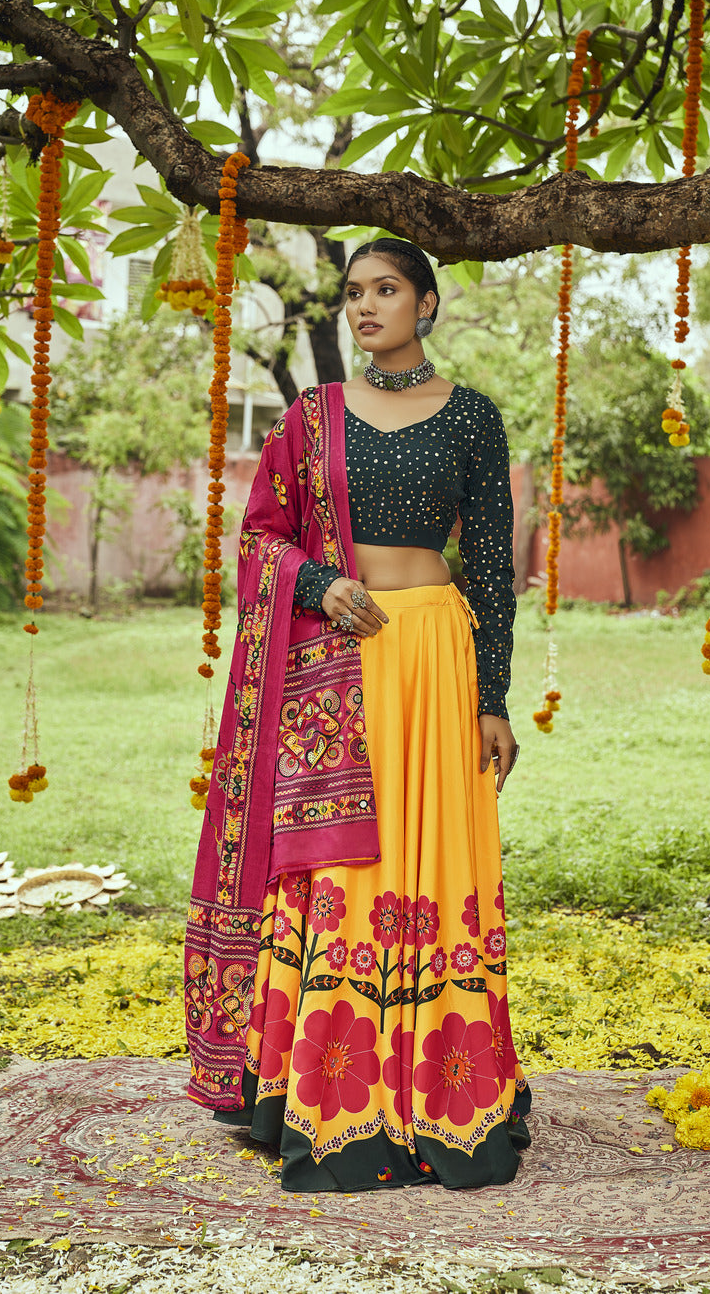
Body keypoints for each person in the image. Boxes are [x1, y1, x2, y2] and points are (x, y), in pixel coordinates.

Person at [184, 237, 531, 1192]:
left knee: (435, 861)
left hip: (435, 658)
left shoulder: (471, 418)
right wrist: (322, 583)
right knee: (347, 871)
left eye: (386, 290)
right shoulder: (310, 417)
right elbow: (260, 537)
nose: (366, 306)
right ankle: (328, 1092)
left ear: (428, 303)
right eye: (354, 293)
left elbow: (495, 568)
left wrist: (494, 699)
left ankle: (448, 1089)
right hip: (339, 666)